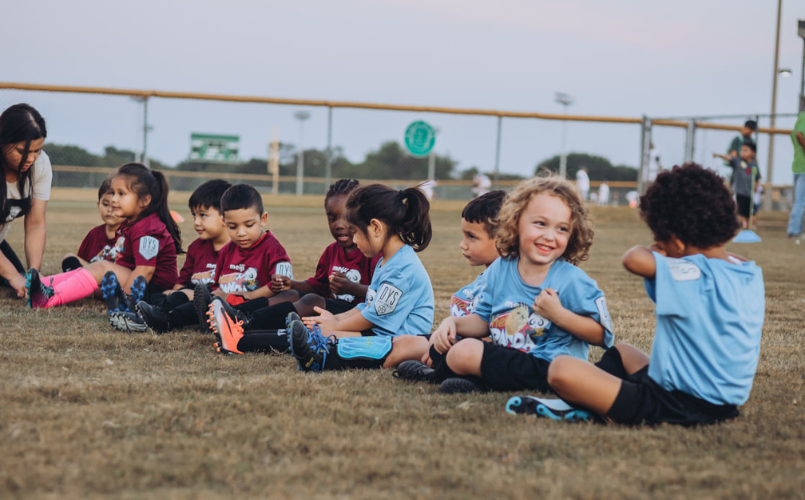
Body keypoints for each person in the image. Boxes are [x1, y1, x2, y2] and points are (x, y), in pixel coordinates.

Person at [513, 164, 764, 426]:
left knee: (561, 369)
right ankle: (593, 396)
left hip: (677, 405)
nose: (656, 247)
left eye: (658, 240)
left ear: (677, 243)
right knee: (624, 352)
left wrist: (657, 249)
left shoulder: (692, 274)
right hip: (718, 400)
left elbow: (633, 259)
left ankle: (587, 405)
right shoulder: (746, 270)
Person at [402, 176, 613, 394]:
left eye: (562, 229)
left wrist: (559, 314)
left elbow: (602, 335)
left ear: (573, 233)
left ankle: (438, 376)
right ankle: (479, 382)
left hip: (552, 368)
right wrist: (452, 322)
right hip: (509, 358)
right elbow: (483, 320)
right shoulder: (500, 269)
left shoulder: (572, 279)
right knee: (449, 345)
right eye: (540, 223)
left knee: (464, 352)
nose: (550, 236)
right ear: (515, 222)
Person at [203, 179, 381, 354]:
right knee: (290, 295)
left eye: (346, 217)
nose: (339, 225)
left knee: (312, 301)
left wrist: (353, 288)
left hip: (356, 315)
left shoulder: (372, 253)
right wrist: (293, 284)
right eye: (332, 218)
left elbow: (382, 296)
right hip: (329, 310)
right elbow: (318, 285)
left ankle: (244, 323)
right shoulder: (332, 251)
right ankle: (238, 315)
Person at [274, 184, 435, 372]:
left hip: (397, 340)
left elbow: (372, 317)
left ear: (375, 227)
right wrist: (335, 318)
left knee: (328, 334)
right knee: (322, 330)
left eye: (356, 232)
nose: (355, 240)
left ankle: (320, 356)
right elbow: (367, 306)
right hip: (381, 332)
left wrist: (336, 325)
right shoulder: (387, 261)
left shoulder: (401, 270)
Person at [135, 183, 296, 333]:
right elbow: (218, 286)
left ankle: (167, 318)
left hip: (250, 306)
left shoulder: (272, 247)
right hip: (225, 303)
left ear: (263, 219)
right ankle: (162, 317)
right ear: (225, 222)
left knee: (208, 301)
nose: (241, 233)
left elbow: (282, 282)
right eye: (233, 227)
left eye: (249, 225)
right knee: (195, 300)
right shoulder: (226, 251)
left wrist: (250, 295)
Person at [26, 163, 182, 310]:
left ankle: (49, 298)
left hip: (153, 290)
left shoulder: (148, 228)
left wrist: (125, 301)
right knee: (92, 268)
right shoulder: (134, 223)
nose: (113, 199)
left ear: (144, 200)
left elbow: (145, 270)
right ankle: (42, 285)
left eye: (121, 194)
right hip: (137, 281)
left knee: (101, 267)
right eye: (113, 192)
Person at [393, 190, 507, 381]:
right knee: (413, 342)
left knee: (449, 351)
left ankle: (437, 375)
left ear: (504, 238)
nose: (462, 244)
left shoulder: (512, 279)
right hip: (471, 345)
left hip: (493, 352)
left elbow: (501, 334)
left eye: (472, 237)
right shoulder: (488, 277)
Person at [109, 179, 231, 332]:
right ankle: (137, 309)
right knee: (159, 295)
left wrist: (184, 294)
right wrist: (173, 292)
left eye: (203, 215)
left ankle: (150, 319)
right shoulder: (196, 247)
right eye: (194, 215)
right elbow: (183, 279)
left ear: (226, 217)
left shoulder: (235, 250)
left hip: (209, 302)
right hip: (185, 297)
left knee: (184, 300)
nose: (196, 222)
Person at [0, 104, 51, 299]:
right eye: (22, 151)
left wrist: (33, 274)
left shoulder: (40, 164)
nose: (31, 158)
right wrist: (11, 275)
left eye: (37, 150)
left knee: (23, 279)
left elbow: (35, 223)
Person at [61, 178, 124, 272]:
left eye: (115, 206)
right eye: (106, 204)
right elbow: (81, 262)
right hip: (92, 276)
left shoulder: (129, 234)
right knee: (69, 258)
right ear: (98, 206)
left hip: (116, 279)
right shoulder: (94, 234)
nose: (110, 210)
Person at [713, 142, 761, 229]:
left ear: (753, 153)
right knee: (741, 212)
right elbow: (730, 158)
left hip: (750, 193)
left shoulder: (754, 165)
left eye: (745, 150)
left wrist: (756, 190)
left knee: (751, 212)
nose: (742, 152)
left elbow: (757, 178)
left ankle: (751, 227)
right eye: (742, 150)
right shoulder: (738, 161)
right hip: (740, 192)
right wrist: (718, 155)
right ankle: (743, 226)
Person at [786, 110, 805, 238]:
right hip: (803, 167)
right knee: (801, 200)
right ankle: (794, 230)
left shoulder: (800, 119)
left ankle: (795, 229)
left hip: (798, 166)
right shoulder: (804, 117)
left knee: (800, 199)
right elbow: (798, 134)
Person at [723, 120, 757, 184]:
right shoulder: (738, 139)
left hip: (748, 170)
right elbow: (733, 155)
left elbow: (754, 158)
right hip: (739, 170)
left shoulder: (751, 141)